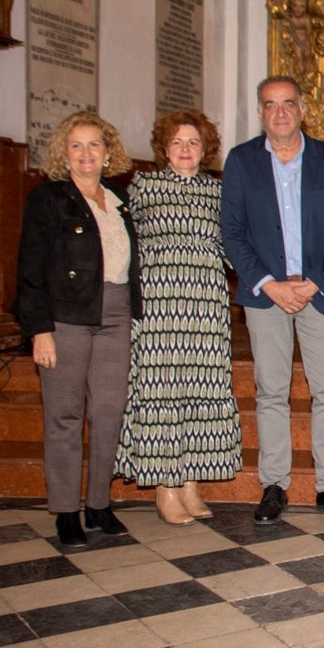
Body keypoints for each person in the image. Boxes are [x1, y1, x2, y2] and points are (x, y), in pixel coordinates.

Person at [222, 76, 324, 525]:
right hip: (265, 295)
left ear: (302, 110)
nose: (280, 112)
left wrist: (313, 282)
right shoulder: (242, 161)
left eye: (288, 104)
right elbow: (233, 233)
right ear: (261, 113)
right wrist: (269, 283)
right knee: (271, 392)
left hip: (320, 292)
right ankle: (274, 484)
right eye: (270, 105)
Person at [16, 112, 142, 547]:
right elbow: (30, 270)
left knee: (108, 413)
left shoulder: (118, 198)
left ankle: (99, 504)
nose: (86, 154)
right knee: (65, 416)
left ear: (108, 153)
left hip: (116, 313)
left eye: (94, 145)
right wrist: (40, 330)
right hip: (66, 317)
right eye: (77, 146)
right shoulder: (48, 199)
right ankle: (67, 510)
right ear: (63, 153)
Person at [116, 110, 241, 525]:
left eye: (193, 143)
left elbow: (234, 246)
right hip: (159, 305)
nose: (185, 150)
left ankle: (191, 482)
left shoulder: (217, 191)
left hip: (206, 303)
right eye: (177, 143)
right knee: (162, 391)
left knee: (202, 390)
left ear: (205, 150)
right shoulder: (142, 186)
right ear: (163, 149)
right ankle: (166, 486)